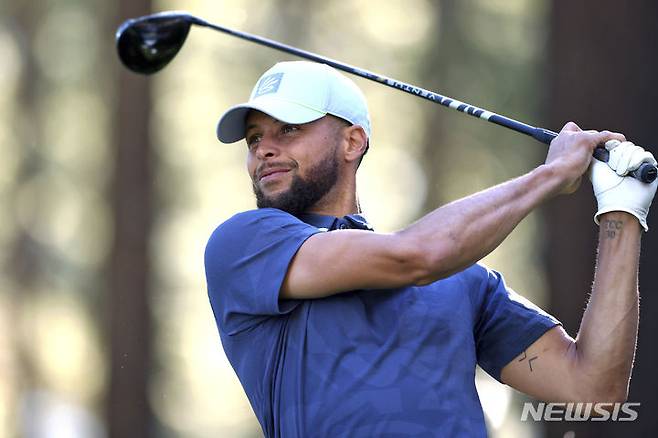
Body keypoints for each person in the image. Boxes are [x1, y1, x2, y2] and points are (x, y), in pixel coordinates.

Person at [204, 61, 657, 437]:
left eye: (288, 129)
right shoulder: (246, 245)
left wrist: (622, 211)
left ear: (352, 141)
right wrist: (551, 175)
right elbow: (415, 256)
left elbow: (595, 388)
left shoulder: (463, 281)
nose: (264, 149)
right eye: (254, 139)